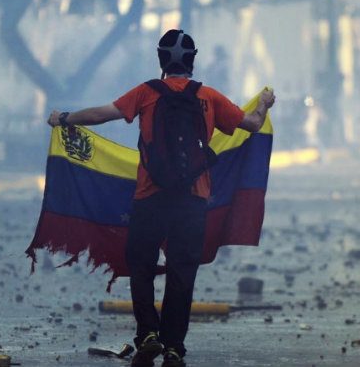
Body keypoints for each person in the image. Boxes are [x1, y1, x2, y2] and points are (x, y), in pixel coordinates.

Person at [46, 29, 275, 367]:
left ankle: (148, 335)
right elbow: (253, 124)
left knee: (140, 266)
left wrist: (63, 118)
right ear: (192, 60)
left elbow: (101, 115)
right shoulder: (209, 97)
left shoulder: (146, 93)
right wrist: (265, 102)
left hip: (150, 197)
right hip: (193, 200)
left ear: (161, 59)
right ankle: (173, 348)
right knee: (182, 273)